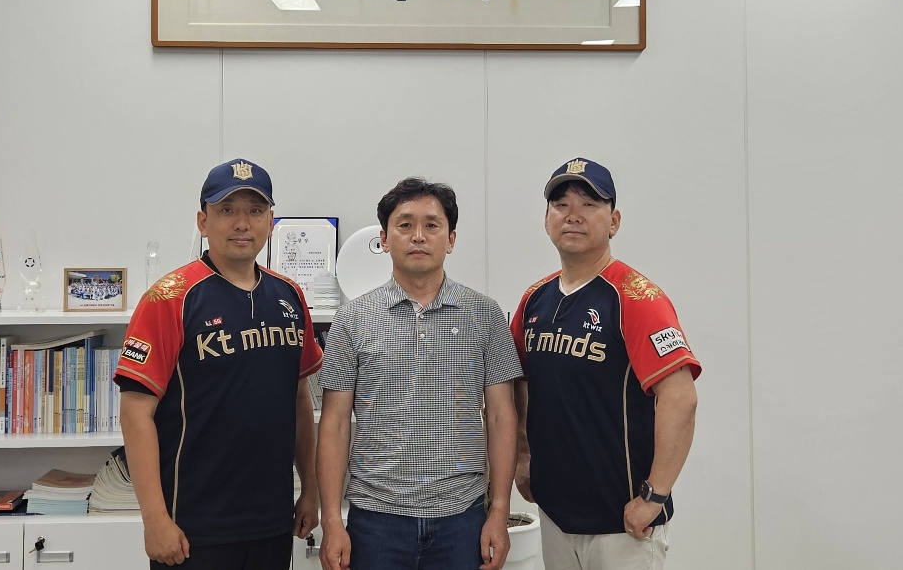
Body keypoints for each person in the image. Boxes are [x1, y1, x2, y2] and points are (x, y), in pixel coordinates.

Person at [115, 158, 322, 569]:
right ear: (203, 221)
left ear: (270, 222)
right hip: (193, 527)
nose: (242, 223)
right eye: (227, 209)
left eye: (255, 210)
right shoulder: (169, 298)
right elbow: (135, 415)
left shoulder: (290, 296)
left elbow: (300, 398)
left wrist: (311, 490)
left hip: (272, 520)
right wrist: (154, 519)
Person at [317, 177, 523, 570]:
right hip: (375, 518)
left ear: (451, 239)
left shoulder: (485, 314)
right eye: (405, 224)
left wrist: (499, 510)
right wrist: (331, 521)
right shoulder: (353, 319)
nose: (418, 236)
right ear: (384, 238)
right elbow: (335, 423)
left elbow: (501, 416)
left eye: (432, 225)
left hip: (461, 517)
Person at [511, 158, 701, 570]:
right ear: (546, 220)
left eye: (589, 204)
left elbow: (681, 398)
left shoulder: (637, 298)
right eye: (561, 204)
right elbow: (518, 383)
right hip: (556, 512)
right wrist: (522, 455)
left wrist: (655, 496)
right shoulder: (533, 300)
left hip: (623, 523)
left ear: (613, 221)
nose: (573, 215)